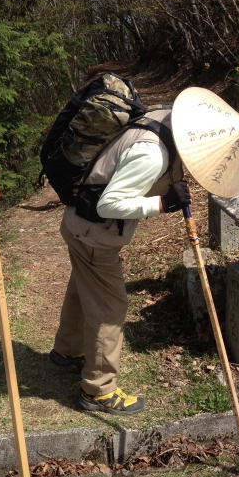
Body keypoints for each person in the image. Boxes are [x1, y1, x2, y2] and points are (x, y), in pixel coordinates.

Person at [49, 106, 191, 414]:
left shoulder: (161, 115)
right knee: (109, 308)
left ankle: (67, 350)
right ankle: (98, 390)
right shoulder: (152, 155)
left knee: (84, 287)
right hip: (93, 234)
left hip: (79, 226)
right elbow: (108, 204)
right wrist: (164, 203)